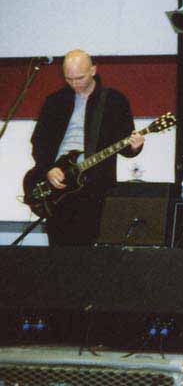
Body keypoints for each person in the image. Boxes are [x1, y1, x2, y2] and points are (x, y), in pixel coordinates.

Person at [29, 50, 144, 246]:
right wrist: (48, 168)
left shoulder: (114, 101)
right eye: (69, 78)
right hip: (59, 181)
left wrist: (135, 147)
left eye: (79, 77)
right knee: (59, 249)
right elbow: (39, 142)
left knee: (89, 250)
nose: (74, 84)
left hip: (95, 186)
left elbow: (125, 147)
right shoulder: (55, 101)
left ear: (93, 70)